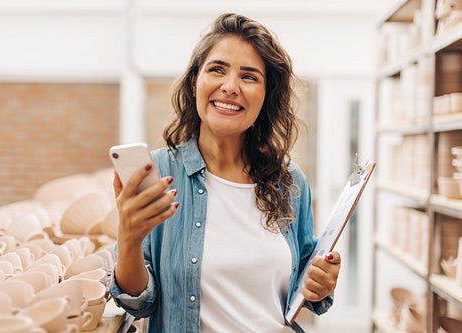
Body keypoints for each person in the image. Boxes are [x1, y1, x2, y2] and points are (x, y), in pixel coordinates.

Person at [110, 13, 341, 333]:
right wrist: (129, 240)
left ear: (265, 94)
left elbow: (305, 286)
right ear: (195, 82)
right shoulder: (159, 173)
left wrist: (321, 284)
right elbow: (138, 302)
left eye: (249, 77)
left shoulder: (289, 182)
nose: (230, 87)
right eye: (217, 70)